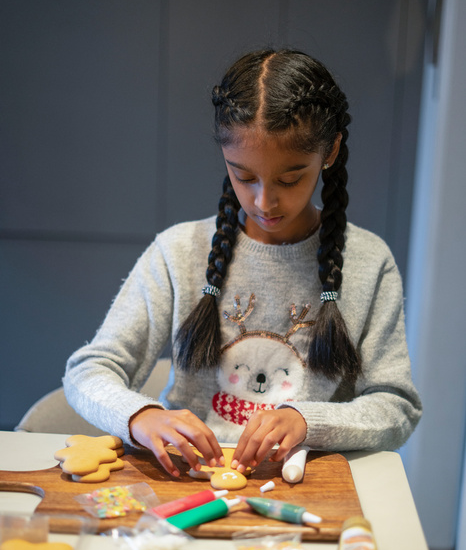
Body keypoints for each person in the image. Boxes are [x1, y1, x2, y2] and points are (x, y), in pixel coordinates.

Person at [64, 48, 422, 479]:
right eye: (244, 176)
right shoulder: (179, 251)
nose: (263, 201)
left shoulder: (368, 262)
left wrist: (308, 421)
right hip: (185, 484)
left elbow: (397, 407)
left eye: (290, 179)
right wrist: (140, 415)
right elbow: (90, 370)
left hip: (307, 489)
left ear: (330, 152)